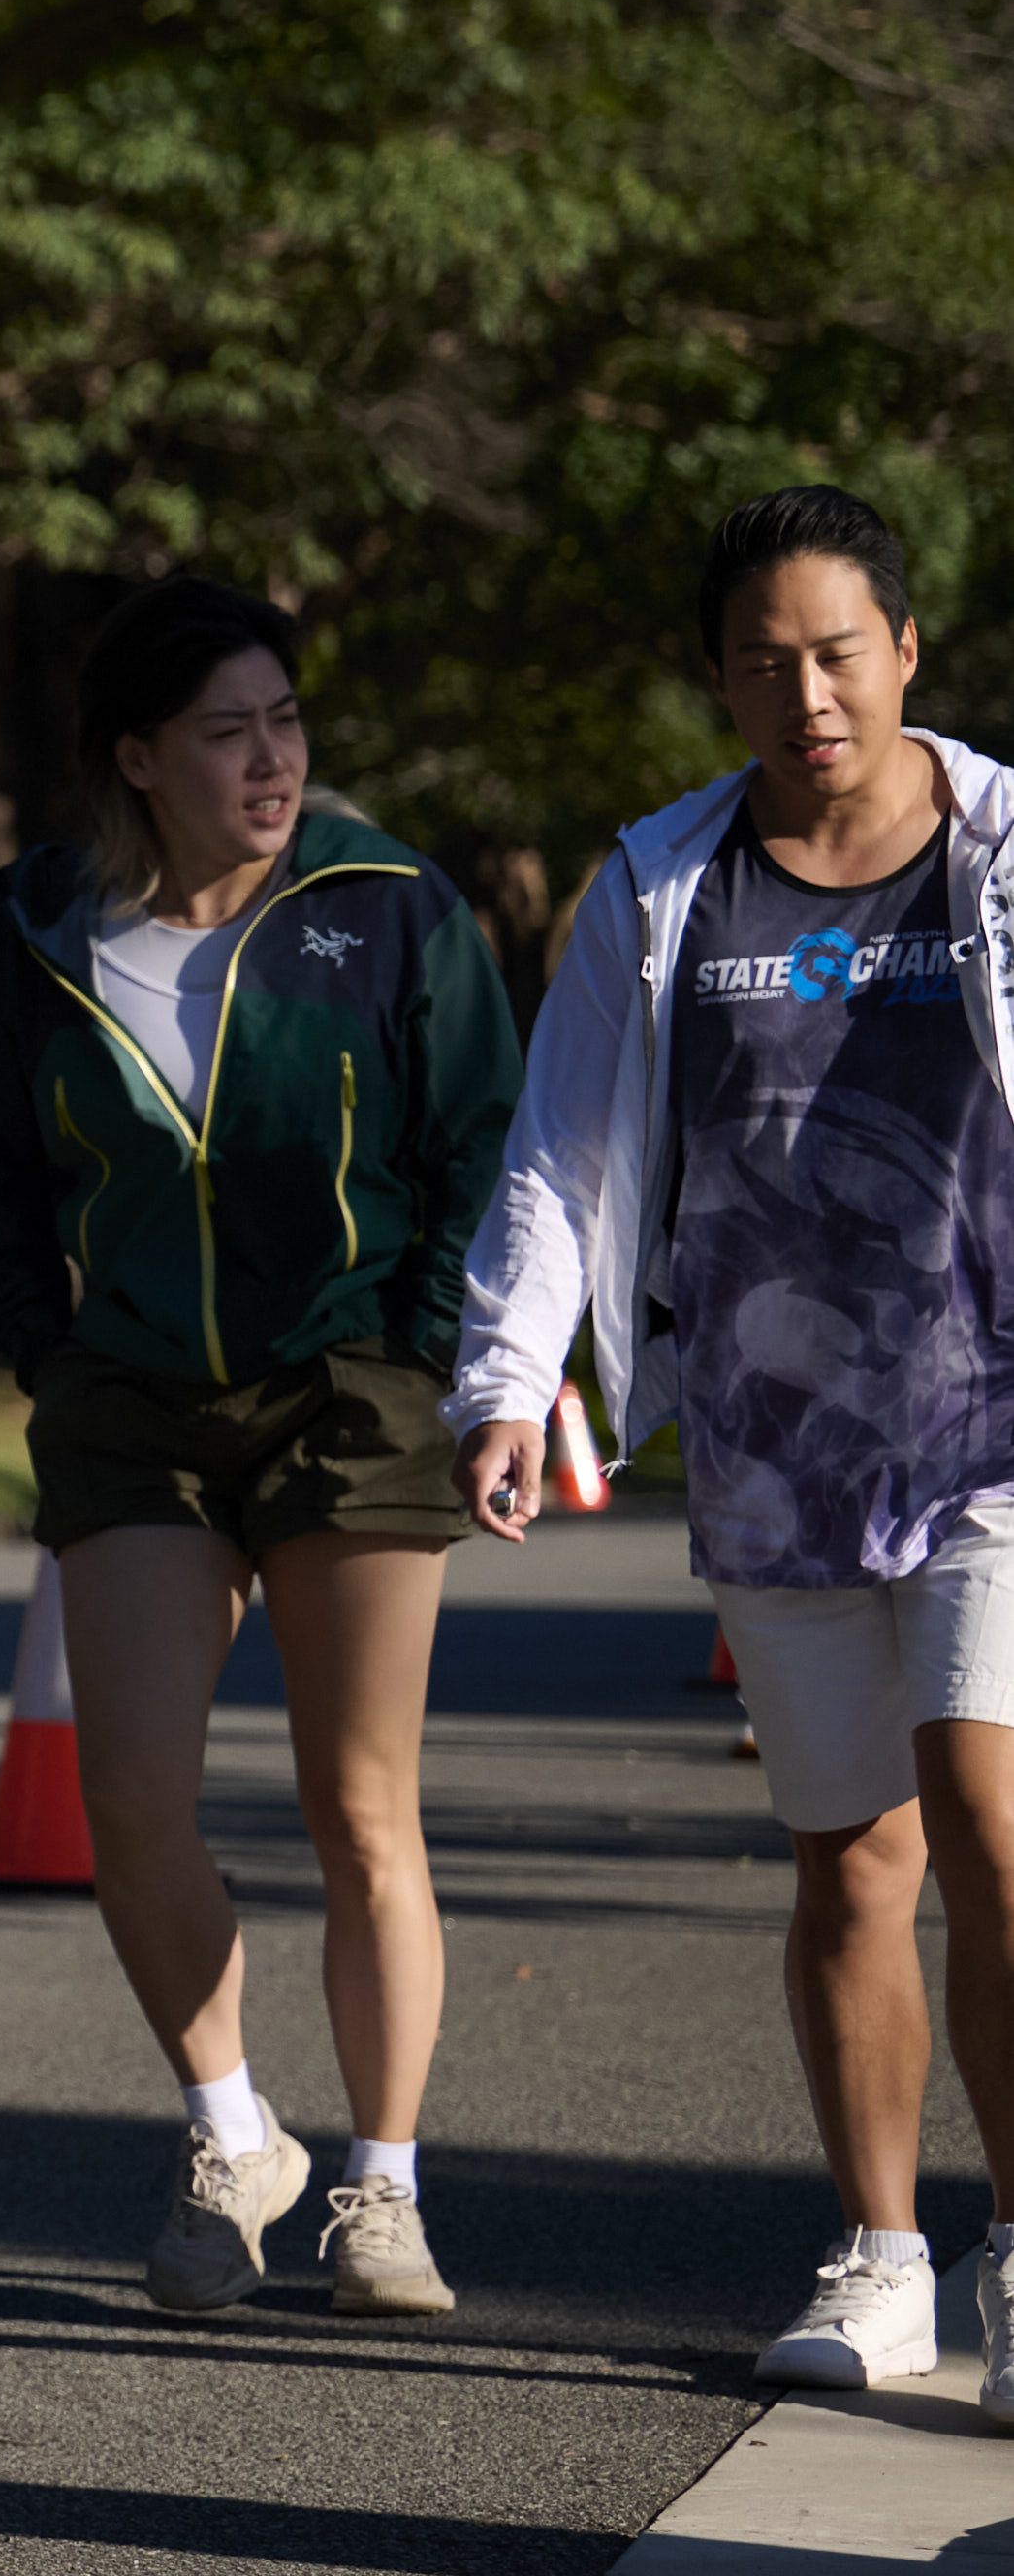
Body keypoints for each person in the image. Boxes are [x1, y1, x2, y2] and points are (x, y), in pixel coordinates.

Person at [454, 486, 1014, 2405]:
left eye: (834, 648)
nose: (804, 691)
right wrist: (505, 1374)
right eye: (761, 658)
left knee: (986, 1821)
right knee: (845, 1860)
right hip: (775, 1444)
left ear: (901, 650)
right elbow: (561, 1146)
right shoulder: (657, 883)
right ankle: (874, 2254)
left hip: (988, 1419)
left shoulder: (1001, 851)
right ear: (715, 677)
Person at [0, 575, 523, 2325]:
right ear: (140, 756)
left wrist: (423, 1345)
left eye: (284, 720)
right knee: (130, 1801)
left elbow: (480, 1141)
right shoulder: (40, 929)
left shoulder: (387, 906)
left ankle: (385, 2188)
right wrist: (50, 1346)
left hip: (350, 1388)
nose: (270, 758)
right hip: (132, 1402)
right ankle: (232, 2130)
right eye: (226, 730)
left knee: (363, 1808)